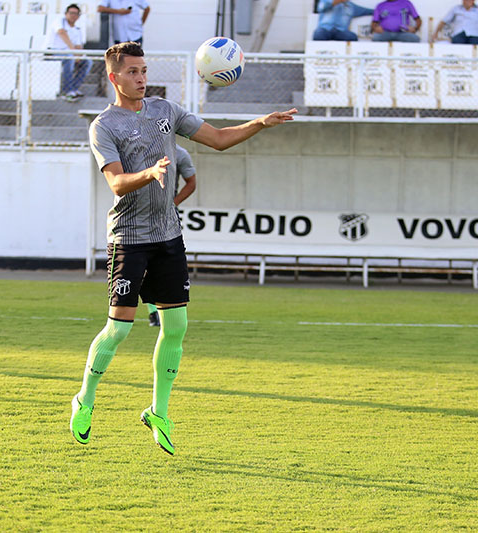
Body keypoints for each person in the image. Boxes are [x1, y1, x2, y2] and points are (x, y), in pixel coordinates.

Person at [70, 41, 296, 455]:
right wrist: (150, 171)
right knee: (119, 328)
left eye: (144, 70)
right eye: (133, 72)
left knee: (177, 327)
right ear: (114, 76)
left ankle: (158, 411)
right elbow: (117, 183)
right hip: (129, 238)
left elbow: (219, 138)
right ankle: (85, 399)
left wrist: (260, 123)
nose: (141, 78)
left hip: (168, 237)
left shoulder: (165, 110)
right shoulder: (104, 125)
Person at [146, 144, 196, 327]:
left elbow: (192, 183)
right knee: (144, 266)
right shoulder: (140, 146)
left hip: (166, 219)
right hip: (139, 216)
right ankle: (153, 313)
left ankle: (162, 312)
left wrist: (173, 204)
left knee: (162, 265)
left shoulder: (180, 154)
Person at [46, 4, 92, 102]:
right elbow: (62, 33)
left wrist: (79, 56)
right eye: (71, 13)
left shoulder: (77, 30)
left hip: (69, 54)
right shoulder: (59, 21)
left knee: (87, 62)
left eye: (76, 14)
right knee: (69, 58)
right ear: (66, 14)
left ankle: (74, 88)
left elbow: (79, 46)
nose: (73, 15)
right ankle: (66, 91)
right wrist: (74, 52)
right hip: (52, 51)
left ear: (79, 16)